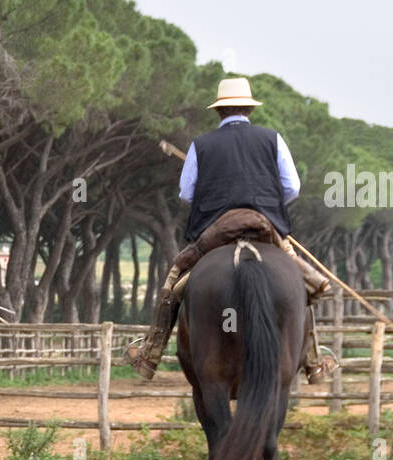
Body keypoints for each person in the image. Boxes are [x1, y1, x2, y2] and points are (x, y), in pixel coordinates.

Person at [127, 76, 336, 383]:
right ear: (249, 110)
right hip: (264, 225)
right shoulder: (272, 139)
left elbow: (186, 194)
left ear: (219, 112)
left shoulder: (202, 144)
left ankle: (150, 354)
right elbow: (292, 187)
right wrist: (269, 202)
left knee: (173, 285)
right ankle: (313, 362)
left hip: (215, 231)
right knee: (299, 286)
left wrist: (213, 195)